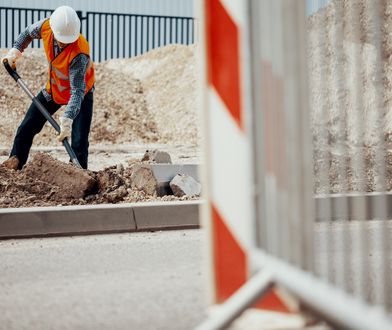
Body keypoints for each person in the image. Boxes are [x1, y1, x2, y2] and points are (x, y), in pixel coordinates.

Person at [2, 5, 94, 170]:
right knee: (26, 127)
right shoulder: (46, 27)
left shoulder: (79, 52)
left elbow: (77, 91)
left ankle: (80, 176)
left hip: (81, 95)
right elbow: (27, 33)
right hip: (53, 90)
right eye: (62, 39)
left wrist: (67, 119)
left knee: (79, 141)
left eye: (68, 40)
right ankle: (14, 162)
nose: (64, 43)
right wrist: (15, 51)